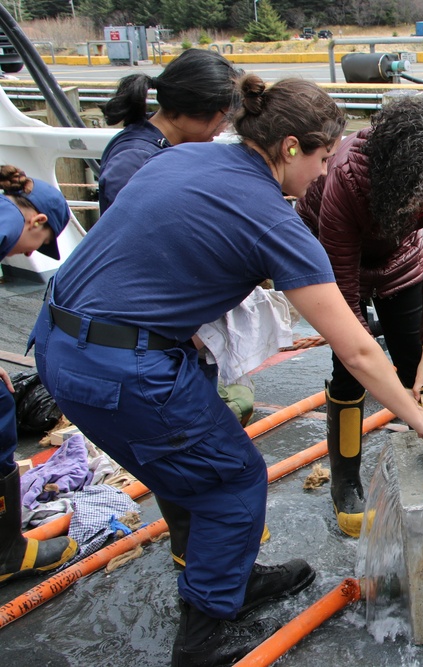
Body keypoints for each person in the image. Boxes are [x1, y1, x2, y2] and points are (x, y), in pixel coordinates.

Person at [30, 76, 423, 667]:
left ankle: (230, 577)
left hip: (56, 343)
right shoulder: (272, 220)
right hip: (122, 369)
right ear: (289, 148)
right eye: (321, 158)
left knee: (187, 467)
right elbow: (357, 350)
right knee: (233, 479)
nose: (324, 174)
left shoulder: (185, 158)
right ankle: (206, 635)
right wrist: (415, 413)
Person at [297, 94, 423, 538]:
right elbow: (346, 307)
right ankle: (345, 482)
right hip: (330, 259)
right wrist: (368, 362)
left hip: (397, 261)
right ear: (399, 179)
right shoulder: (348, 176)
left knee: (415, 362)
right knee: (350, 371)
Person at [97, 48, 255, 571]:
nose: (219, 132)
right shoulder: (134, 162)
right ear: (201, 114)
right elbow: (137, 255)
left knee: (194, 440)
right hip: (145, 339)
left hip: (165, 330)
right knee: (178, 450)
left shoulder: (164, 147)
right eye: (219, 120)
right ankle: (197, 558)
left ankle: (208, 548)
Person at [0, 165, 78, 583]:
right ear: (37, 220)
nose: (30, 253)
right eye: (40, 243)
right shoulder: (9, 217)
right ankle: (6, 551)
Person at [98, 48, 240, 214]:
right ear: (199, 110)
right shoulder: (134, 159)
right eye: (227, 118)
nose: (224, 128)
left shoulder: (161, 144)